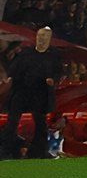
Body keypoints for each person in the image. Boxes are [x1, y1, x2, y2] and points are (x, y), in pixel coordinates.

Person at [7, 27, 63, 159]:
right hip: (22, 90)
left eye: (44, 36)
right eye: (40, 36)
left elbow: (58, 72)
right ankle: (8, 151)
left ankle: (38, 152)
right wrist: (10, 77)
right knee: (12, 121)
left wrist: (52, 80)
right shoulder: (26, 53)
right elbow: (15, 68)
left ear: (49, 39)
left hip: (41, 92)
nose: (41, 39)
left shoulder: (53, 55)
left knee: (40, 123)